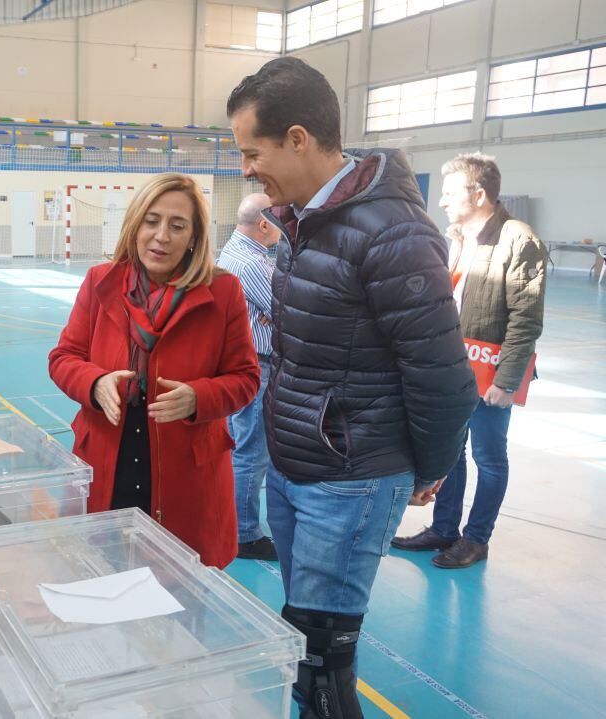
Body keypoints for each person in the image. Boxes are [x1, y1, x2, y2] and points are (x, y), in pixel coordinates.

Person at [226, 57, 479, 719]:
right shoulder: (305, 220)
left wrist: (428, 468)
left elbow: (444, 375)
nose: (248, 168)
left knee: (322, 655)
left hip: (351, 475)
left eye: (254, 152)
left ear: (300, 139)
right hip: (299, 465)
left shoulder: (391, 230)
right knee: (305, 631)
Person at [48, 173, 260, 568]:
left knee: (182, 599)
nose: (161, 236)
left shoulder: (223, 291)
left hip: (188, 477)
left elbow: (246, 378)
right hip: (107, 462)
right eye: (152, 221)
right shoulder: (100, 281)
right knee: (104, 582)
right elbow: (63, 357)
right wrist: (95, 384)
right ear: (135, 224)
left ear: (194, 236)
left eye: (177, 226)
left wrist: (200, 397)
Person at [392, 153, 546, 569]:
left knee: (489, 458)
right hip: (454, 371)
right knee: (451, 453)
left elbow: (525, 319)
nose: (441, 201)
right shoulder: (458, 238)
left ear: (478, 194)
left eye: (449, 192)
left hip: (490, 376)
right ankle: (444, 528)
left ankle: (476, 539)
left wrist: (507, 380)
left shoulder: (518, 240)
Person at [215, 192, 281, 561]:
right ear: (263, 224)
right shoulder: (252, 264)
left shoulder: (237, 253)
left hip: (250, 362)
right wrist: (280, 314)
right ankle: (243, 533)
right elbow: (287, 310)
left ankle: (239, 522)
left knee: (245, 446)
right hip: (258, 365)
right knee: (252, 451)